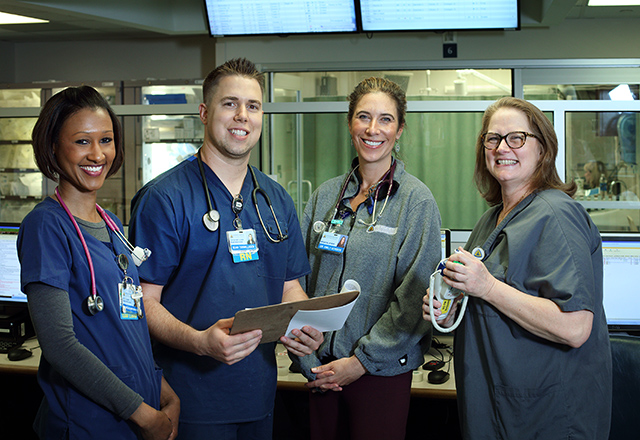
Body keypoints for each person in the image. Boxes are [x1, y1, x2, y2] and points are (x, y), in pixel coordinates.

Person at [128, 58, 323, 440]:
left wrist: (304, 326)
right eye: (229, 103)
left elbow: (289, 288)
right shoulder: (164, 199)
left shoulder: (275, 199)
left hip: (258, 396)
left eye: (253, 106)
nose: (242, 116)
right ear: (204, 112)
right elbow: (142, 302)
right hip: (189, 399)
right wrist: (200, 342)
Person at [423, 97, 612, 439]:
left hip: (546, 415)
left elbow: (575, 327)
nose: (502, 148)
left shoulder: (557, 215)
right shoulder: (490, 220)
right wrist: (447, 310)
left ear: (543, 149)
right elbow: (484, 305)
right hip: (493, 404)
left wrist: (487, 287)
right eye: (492, 138)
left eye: (517, 138)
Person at [17, 85, 180, 440]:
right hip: (88, 423)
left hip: (136, 415)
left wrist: (167, 396)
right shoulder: (47, 226)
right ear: (52, 147)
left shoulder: (109, 224)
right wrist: (144, 415)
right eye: (82, 141)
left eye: (106, 140)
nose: (97, 154)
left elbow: (126, 330)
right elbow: (60, 346)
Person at [291, 77, 441, 440]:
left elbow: (413, 302)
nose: (373, 129)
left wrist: (360, 363)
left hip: (379, 374)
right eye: (363, 117)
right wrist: (309, 361)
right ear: (350, 123)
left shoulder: (416, 203)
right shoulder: (325, 196)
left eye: (386, 119)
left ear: (400, 128)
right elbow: (297, 281)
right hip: (320, 373)